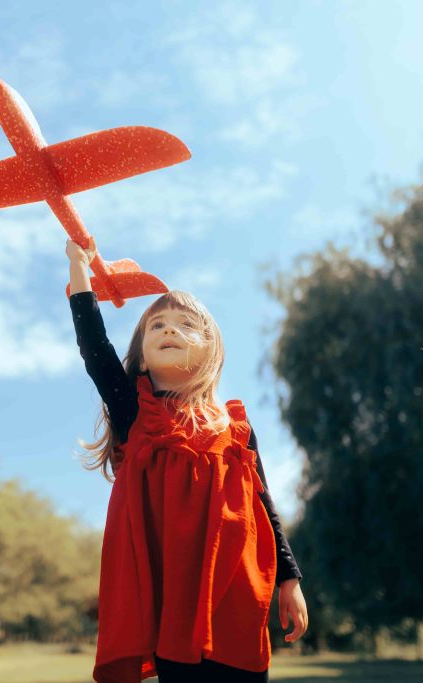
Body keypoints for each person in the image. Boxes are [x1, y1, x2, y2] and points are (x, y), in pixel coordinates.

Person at [66, 236, 309, 683]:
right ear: (140, 352)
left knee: (241, 670)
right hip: (172, 588)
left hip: (236, 579)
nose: (168, 330)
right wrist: (79, 271)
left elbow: (264, 503)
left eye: (184, 324)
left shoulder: (232, 423)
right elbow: (95, 350)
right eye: (156, 326)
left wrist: (289, 581)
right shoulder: (134, 410)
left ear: (209, 347)